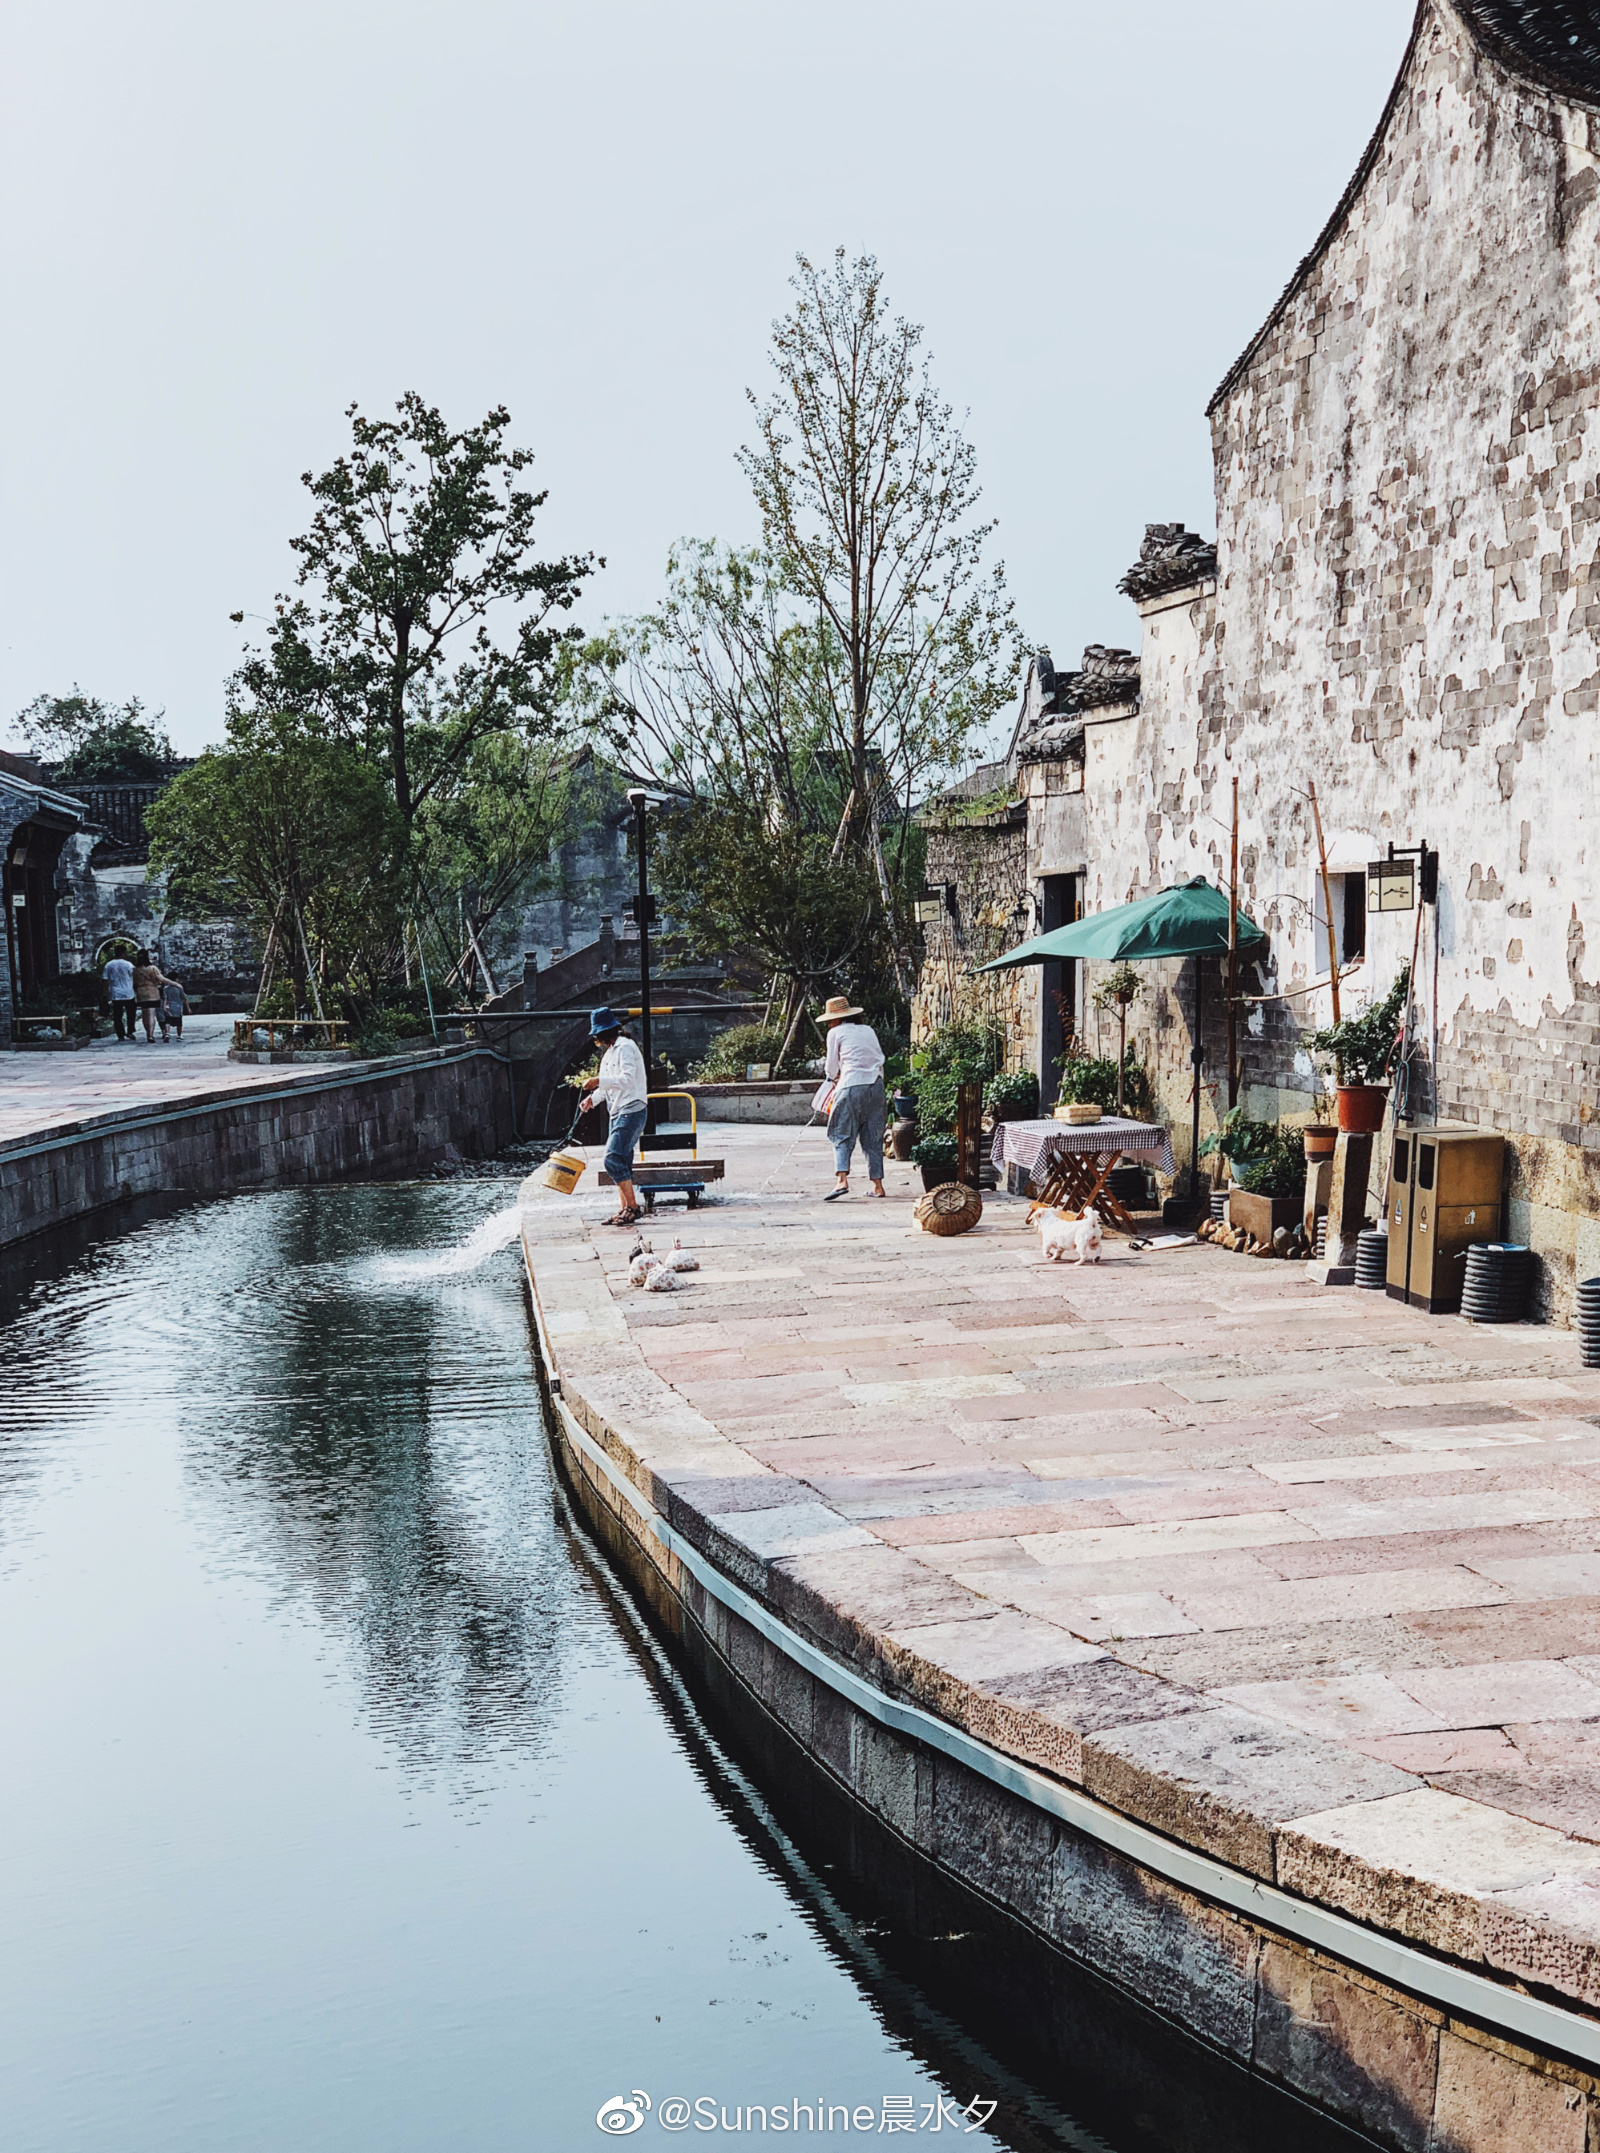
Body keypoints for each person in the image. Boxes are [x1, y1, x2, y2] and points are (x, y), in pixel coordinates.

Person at [579, 1006, 649, 1226]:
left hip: (632, 1107)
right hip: (617, 1110)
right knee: (623, 1160)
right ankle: (625, 1208)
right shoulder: (609, 1054)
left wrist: (598, 1081)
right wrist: (593, 1099)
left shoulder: (626, 1048)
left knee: (611, 1157)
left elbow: (627, 1079)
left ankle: (633, 1207)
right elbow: (609, 1085)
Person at [819, 994, 886, 1200]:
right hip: (876, 1085)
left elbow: (831, 1066)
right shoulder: (868, 1030)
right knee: (873, 1136)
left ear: (837, 1019)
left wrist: (832, 1079)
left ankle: (841, 1181)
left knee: (840, 1132)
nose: (829, 1022)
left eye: (831, 1018)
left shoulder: (835, 1033)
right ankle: (877, 1185)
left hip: (851, 1084)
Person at [130, 950, 172, 1043]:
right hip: (152, 992)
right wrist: (174, 983)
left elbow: (134, 982)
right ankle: (151, 1035)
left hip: (141, 993)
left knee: (145, 1015)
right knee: (151, 1015)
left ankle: (148, 1034)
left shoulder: (135, 970)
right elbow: (161, 978)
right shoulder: (152, 968)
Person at [102, 951, 137, 1042]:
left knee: (117, 1015)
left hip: (116, 993)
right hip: (129, 992)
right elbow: (135, 976)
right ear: (123, 953)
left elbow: (105, 979)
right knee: (131, 1014)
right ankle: (130, 1031)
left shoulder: (109, 965)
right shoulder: (129, 964)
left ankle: (120, 1034)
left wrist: (105, 992)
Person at [158, 975, 188, 1042]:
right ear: (176, 979)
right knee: (179, 1022)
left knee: (167, 1021)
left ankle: (167, 1033)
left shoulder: (166, 988)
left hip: (169, 1007)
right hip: (178, 1007)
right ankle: (179, 1035)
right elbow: (183, 997)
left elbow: (165, 998)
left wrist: (164, 1006)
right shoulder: (179, 987)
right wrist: (188, 1007)